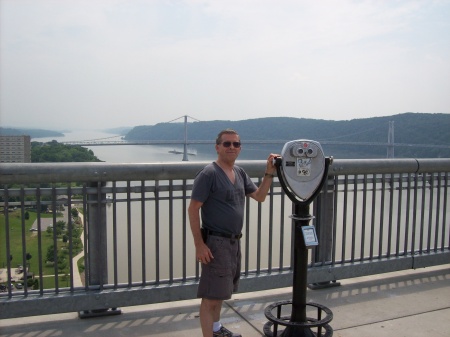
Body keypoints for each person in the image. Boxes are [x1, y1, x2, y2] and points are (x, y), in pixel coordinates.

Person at [188, 129, 279, 337]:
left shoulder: (239, 172)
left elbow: (260, 196)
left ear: (240, 148)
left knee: (219, 294)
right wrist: (200, 245)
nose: (231, 148)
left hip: (233, 242)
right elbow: (193, 209)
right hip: (215, 243)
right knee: (210, 298)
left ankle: (217, 330)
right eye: (226, 144)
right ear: (217, 147)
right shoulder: (208, 174)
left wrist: (269, 172)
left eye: (235, 144)